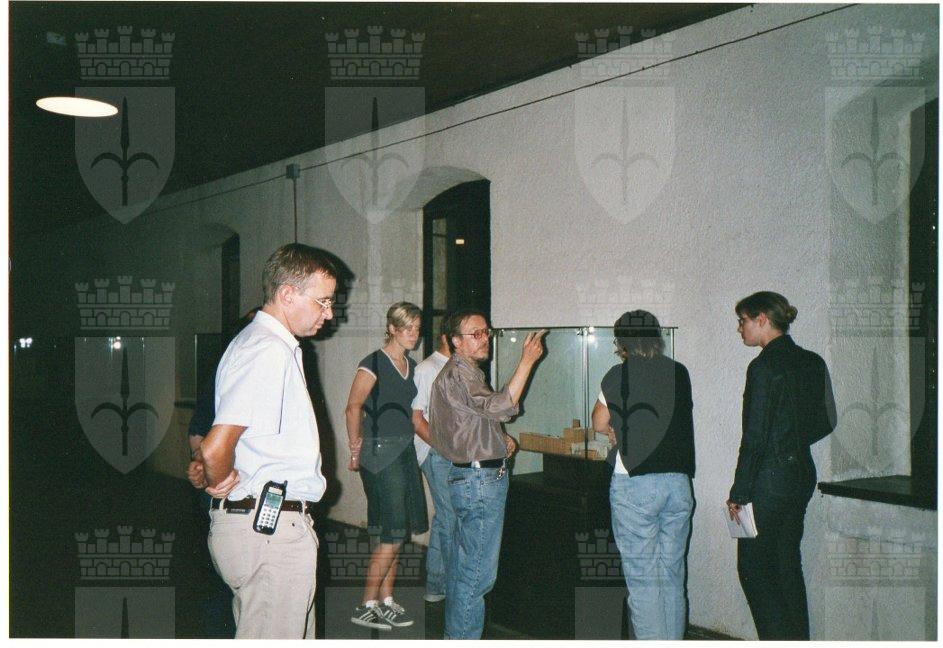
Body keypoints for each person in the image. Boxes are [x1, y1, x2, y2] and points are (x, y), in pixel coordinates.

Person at [192, 243, 337, 639]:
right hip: (269, 535)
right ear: (287, 294)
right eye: (323, 301)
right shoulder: (267, 349)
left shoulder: (262, 344)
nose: (329, 313)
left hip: (266, 527)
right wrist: (219, 479)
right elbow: (215, 447)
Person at [428, 309, 546, 639]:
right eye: (476, 334)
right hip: (478, 484)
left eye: (486, 333)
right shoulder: (460, 375)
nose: (485, 340)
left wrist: (496, 439)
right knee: (475, 575)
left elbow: (465, 424)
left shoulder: (461, 374)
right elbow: (501, 407)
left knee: (464, 570)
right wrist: (527, 361)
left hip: (471, 480)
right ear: (455, 341)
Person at [726, 291, 836, 640]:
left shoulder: (763, 367)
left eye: (743, 320)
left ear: (762, 319)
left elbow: (755, 438)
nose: (739, 328)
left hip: (768, 480)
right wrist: (793, 441)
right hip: (800, 473)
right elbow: (828, 421)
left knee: (753, 569)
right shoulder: (812, 361)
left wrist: (739, 492)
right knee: (787, 564)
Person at [590, 310, 695, 640]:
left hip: (636, 486)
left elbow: (598, 422)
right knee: (672, 576)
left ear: (621, 343)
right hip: (678, 484)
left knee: (644, 582)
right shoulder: (679, 371)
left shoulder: (617, 374)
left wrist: (615, 429)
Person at [345, 302, 429, 630]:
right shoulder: (373, 363)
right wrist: (355, 449)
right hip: (379, 452)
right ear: (392, 328)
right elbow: (353, 407)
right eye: (407, 328)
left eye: (417, 329)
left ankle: (386, 600)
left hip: (403, 450)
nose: (413, 334)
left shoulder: (411, 364)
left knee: (396, 531)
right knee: (393, 533)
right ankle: (366, 605)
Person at [185, 307, 259, 638]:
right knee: (228, 582)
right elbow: (199, 431)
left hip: (251, 496)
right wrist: (203, 466)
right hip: (228, 493)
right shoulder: (226, 375)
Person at [410, 315, 455, 604]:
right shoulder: (428, 369)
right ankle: (442, 585)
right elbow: (416, 419)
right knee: (449, 516)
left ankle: (437, 585)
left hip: (454, 453)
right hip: (435, 452)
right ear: (448, 337)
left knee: (447, 517)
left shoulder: (460, 367)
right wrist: (443, 447)